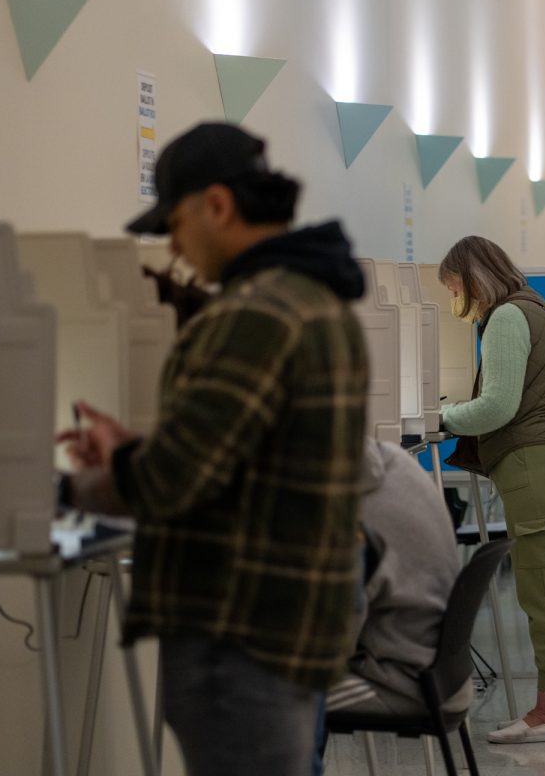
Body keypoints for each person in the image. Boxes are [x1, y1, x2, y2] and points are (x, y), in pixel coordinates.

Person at [58, 122, 369, 776]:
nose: (171, 244)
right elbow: (246, 460)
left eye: (173, 222)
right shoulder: (315, 302)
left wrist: (70, 486)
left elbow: (174, 479)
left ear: (218, 206)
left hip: (237, 628)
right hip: (285, 620)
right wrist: (135, 447)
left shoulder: (255, 312)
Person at [437, 236, 545, 745]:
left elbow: (497, 407)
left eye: (453, 287)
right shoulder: (536, 306)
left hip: (534, 464)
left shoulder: (505, 317)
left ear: (472, 277)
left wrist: (440, 417)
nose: (455, 300)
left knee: (543, 595)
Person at [326, 438, 470, 716]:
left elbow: (332, 637)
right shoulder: (397, 460)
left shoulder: (344, 504)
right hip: (442, 673)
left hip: (401, 682)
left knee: (272, 694)